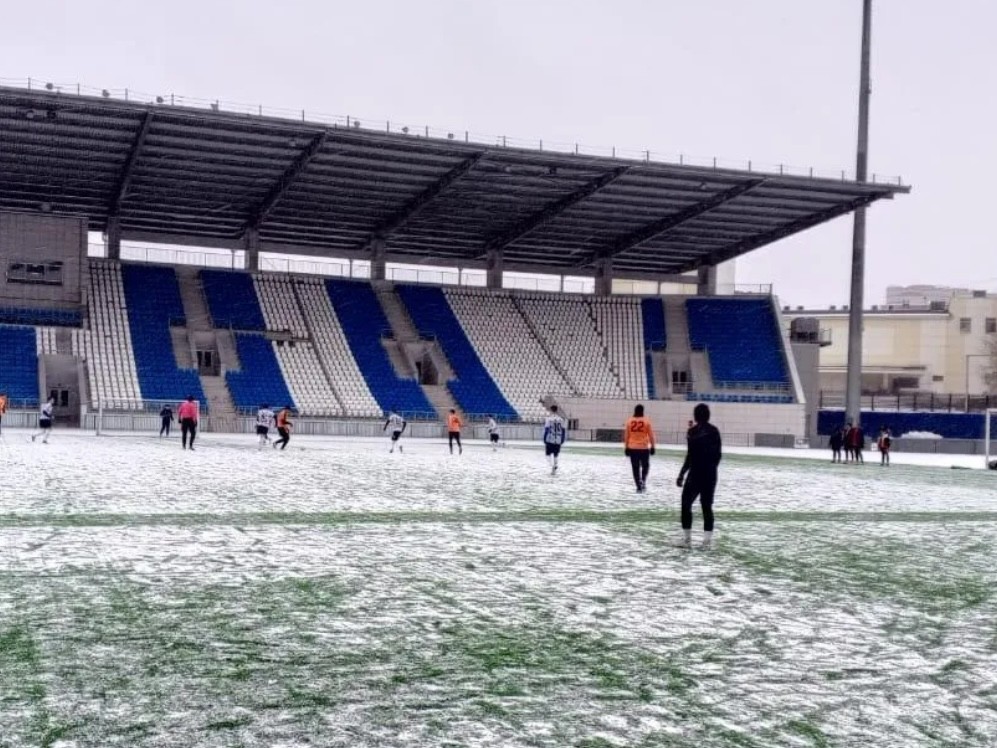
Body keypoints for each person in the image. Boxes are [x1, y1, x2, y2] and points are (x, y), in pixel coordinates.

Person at [675, 403, 722, 549]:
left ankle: (687, 539)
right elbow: (718, 455)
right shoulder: (714, 431)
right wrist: (711, 468)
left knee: (685, 504)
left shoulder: (692, 432)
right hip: (710, 473)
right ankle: (706, 542)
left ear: (695, 416)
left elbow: (690, 456)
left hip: (695, 473)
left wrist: (682, 474)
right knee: (707, 506)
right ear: (708, 415)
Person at [624, 404, 656, 493]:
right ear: (642, 411)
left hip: (632, 447)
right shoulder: (646, 421)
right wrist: (653, 446)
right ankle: (643, 480)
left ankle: (638, 485)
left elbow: (626, 436)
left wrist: (626, 447)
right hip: (644, 448)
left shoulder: (629, 421)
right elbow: (651, 435)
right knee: (646, 466)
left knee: (635, 467)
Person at [543, 404, 567, 474]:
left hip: (550, 439)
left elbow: (547, 429)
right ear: (557, 410)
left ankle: (552, 466)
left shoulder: (549, 419)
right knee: (556, 454)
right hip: (558, 439)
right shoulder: (561, 419)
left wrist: (544, 438)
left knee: (547, 454)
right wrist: (562, 439)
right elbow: (563, 430)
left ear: (551, 410)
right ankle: (555, 464)